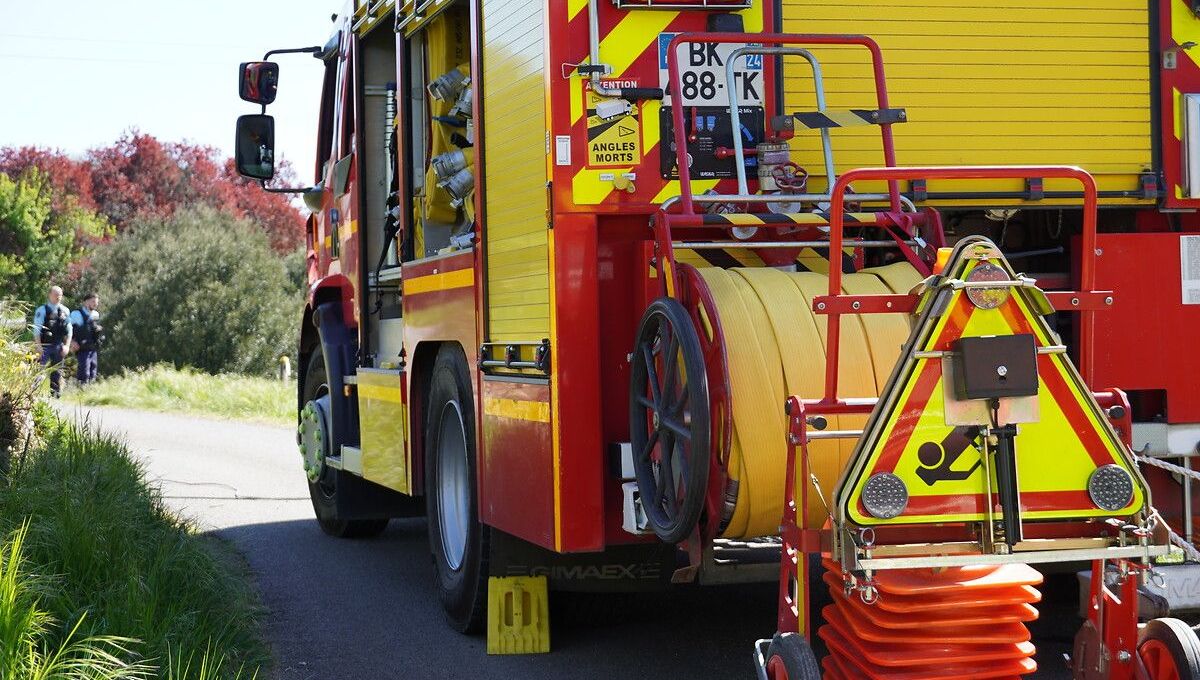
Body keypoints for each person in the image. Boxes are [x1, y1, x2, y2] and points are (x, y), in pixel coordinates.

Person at [32, 285, 72, 397]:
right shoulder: (42, 310)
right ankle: (33, 394)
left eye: (60, 295)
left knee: (57, 371)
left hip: (58, 345)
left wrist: (67, 346)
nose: (58, 297)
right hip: (44, 345)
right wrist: (38, 345)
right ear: (49, 295)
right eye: (55, 294)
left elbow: (69, 330)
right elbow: (37, 329)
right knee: (38, 370)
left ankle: (55, 395)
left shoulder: (65, 311)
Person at [70, 293, 103, 385]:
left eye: (96, 302)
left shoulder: (96, 314)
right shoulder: (76, 314)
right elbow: (69, 329)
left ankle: (90, 392)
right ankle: (81, 390)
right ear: (86, 302)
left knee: (93, 370)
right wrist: (72, 342)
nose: (95, 304)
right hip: (82, 347)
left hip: (93, 347)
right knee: (84, 371)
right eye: (93, 302)